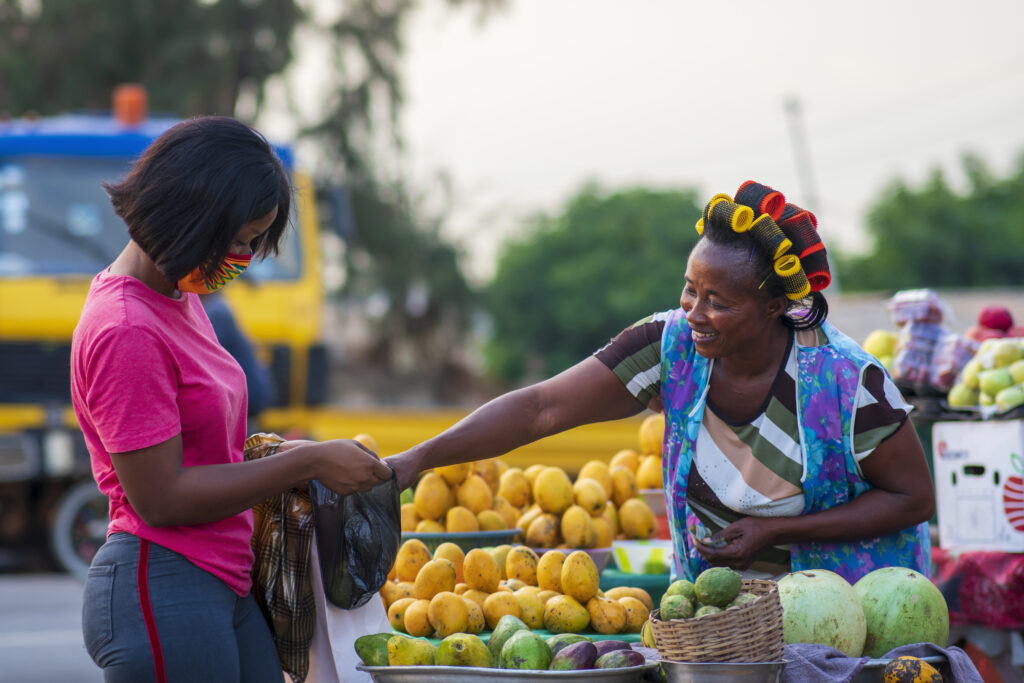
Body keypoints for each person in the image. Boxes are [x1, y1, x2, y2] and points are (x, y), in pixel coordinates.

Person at [388, 181, 935, 584]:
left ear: (773, 306)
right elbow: (542, 409)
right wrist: (416, 460)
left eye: (718, 302)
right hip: (722, 628)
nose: (695, 311)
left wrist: (778, 532)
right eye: (690, 290)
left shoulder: (846, 381)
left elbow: (913, 498)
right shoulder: (670, 347)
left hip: (848, 621)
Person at [70, 116, 392, 683]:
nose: (243, 257)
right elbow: (161, 499)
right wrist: (310, 459)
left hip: (222, 576)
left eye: (252, 241)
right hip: (165, 583)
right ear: (191, 214)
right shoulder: (127, 329)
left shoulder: (178, 300)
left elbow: (207, 450)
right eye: (240, 238)